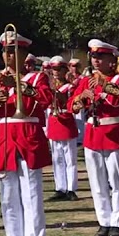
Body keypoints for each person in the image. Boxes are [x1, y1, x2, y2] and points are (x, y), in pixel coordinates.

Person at [0, 31, 52, 236]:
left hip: (28, 134)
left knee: (31, 194)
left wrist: (19, 86)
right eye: (5, 51)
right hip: (3, 137)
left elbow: (45, 98)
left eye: (13, 51)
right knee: (8, 198)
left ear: (23, 54)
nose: (8, 56)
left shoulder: (36, 77)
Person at [70, 39, 119, 236]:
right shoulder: (85, 80)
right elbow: (72, 106)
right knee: (97, 182)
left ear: (111, 60)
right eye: (94, 57)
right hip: (92, 133)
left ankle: (117, 222)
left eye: (100, 57)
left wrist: (105, 85)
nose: (96, 61)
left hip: (113, 132)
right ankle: (103, 221)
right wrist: (82, 97)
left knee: (117, 180)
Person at [43, 57, 79, 201]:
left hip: (66, 120)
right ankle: (60, 187)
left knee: (70, 158)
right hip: (54, 120)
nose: (55, 72)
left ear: (65, 70)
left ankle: (71, 188)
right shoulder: (50, 86)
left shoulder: (70, 87)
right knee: (57, 158)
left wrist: (56, 92)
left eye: (58, 69)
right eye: (53, 69)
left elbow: (71, 103)